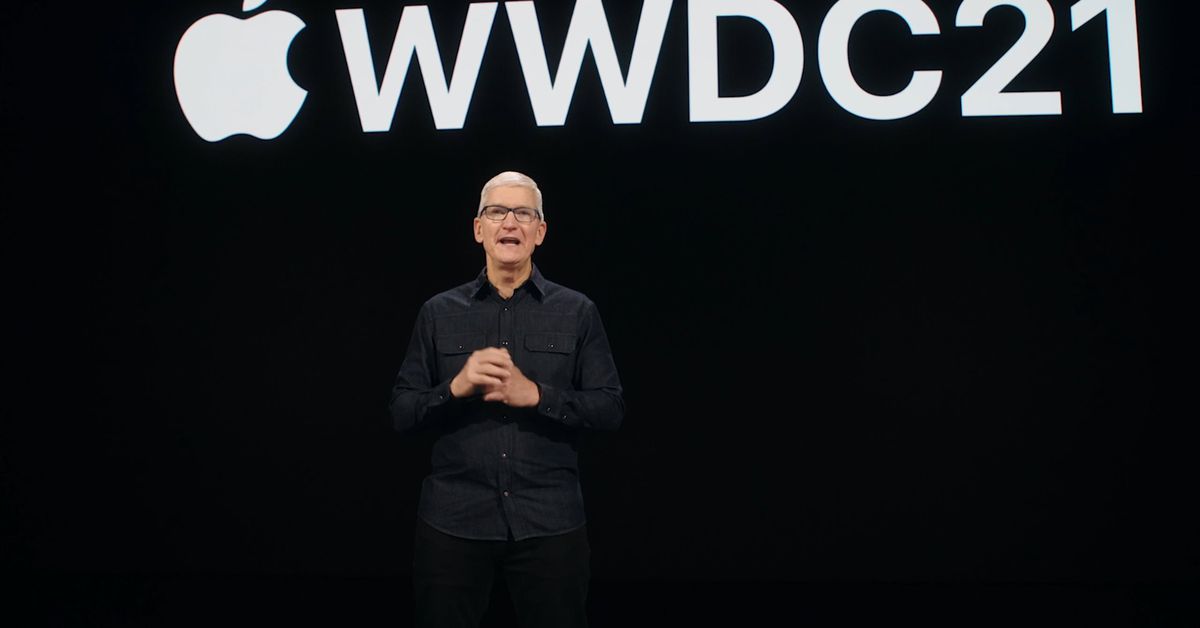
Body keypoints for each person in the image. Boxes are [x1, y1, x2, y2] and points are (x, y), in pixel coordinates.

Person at [389, 171, 624, 628]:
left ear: (541, 231)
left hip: (549, 521)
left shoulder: (577, 311)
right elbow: (401, 411)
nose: (510, 222)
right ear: (479, 229)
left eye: (523, 213)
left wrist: (537, 395)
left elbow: (610, 407)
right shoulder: (438, 312)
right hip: (454, 521)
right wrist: (455, 388)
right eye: (497, 212)